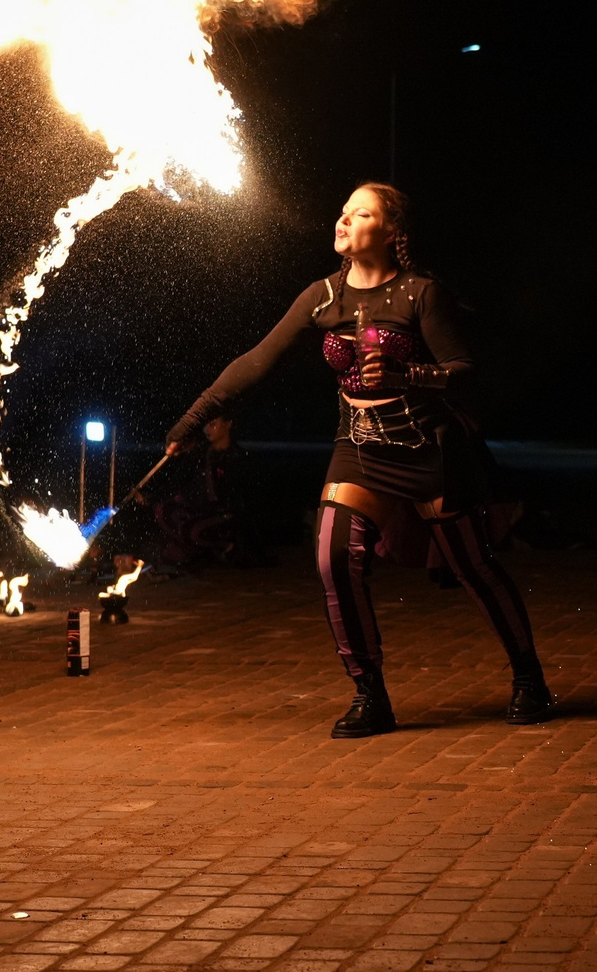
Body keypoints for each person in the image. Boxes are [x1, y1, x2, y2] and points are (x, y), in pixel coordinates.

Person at [164, 183, 553, 737]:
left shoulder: (422, 294)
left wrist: (409, 375)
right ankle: (370, 696)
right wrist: (192, 418)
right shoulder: (322, 296)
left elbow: (465, 368)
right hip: (360, 449)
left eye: (361, 214)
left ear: (392, 233)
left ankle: (529, 678)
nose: (344, 221)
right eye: (343, 211)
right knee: (331, 560)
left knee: (474, 567)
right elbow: (255, 361)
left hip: (428, 449)